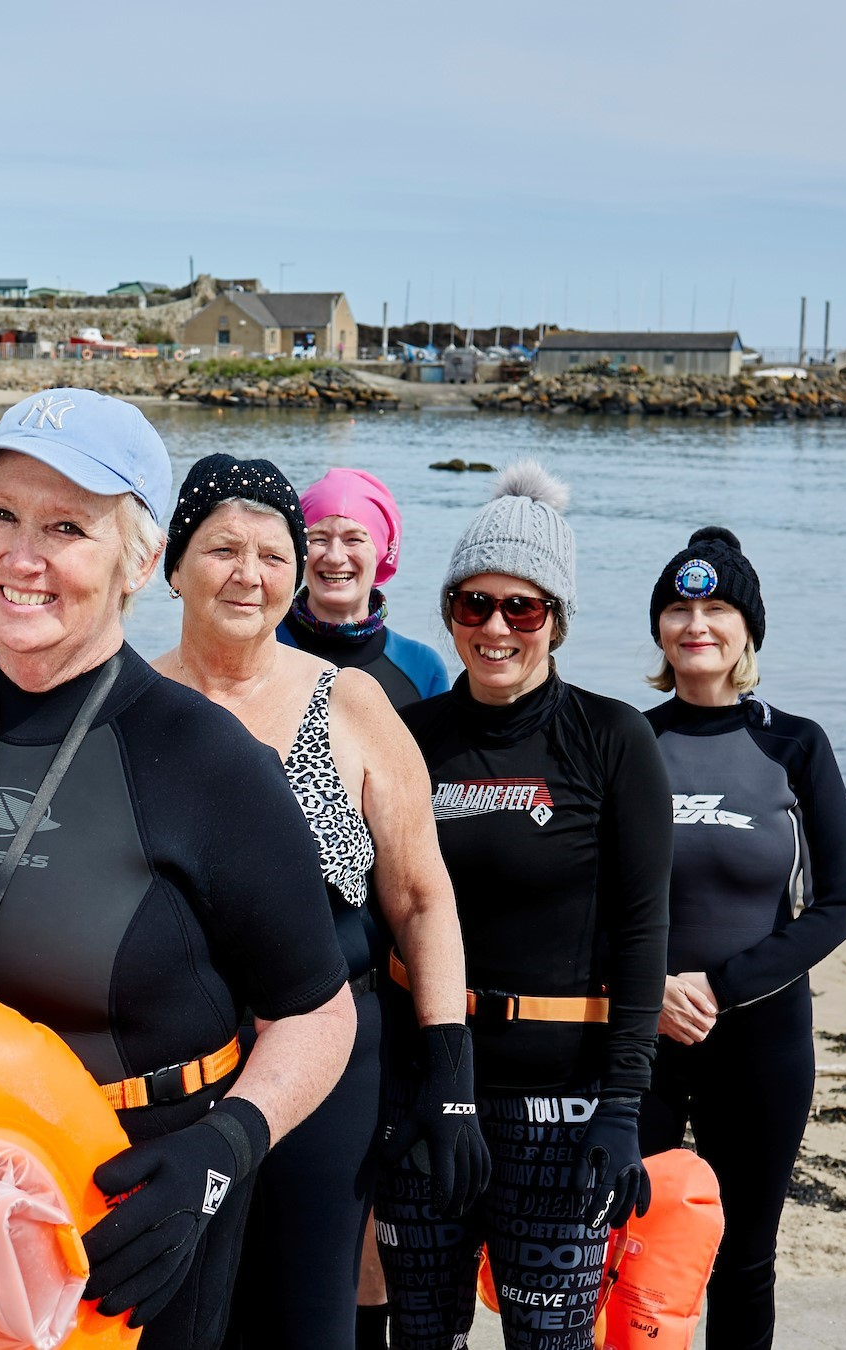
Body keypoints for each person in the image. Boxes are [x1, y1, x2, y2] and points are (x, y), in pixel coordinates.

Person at [0, 389, 357, 1350]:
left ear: (137, 562)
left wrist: (221, 1152)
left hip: (120, 1239)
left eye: (67, 527)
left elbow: (316, 1012)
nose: (21, 556)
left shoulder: (211, 764)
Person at [150, 454, 484, 1350]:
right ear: (171, 564)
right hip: (171, 1072)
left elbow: (421, 895)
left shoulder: (350, 702)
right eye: (222, 549)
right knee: (176, 1318)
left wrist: (451, 1073)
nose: (248, 575)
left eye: (271, 553)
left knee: (309, 1319)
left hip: (334, 1066)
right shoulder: (124, 704)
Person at [377, 461, 671, 1350]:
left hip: (564, 1103)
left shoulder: (614, 739)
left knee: (551, 1341)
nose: (495, 628)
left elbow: (644, 931)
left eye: (523, 607)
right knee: (424, 1335)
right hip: (427, 1087)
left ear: (559, 618)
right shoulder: (408, 738)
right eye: (473, 605)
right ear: (448, 613)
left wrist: (623, 1109)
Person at [640, 527, 846, 1350]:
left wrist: (720, 988)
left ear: (748, 629)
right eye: (679, 607)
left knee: (743, 1257)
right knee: (629, 1244)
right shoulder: (628, 739)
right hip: (642, 1031)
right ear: (659, 629)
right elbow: (593, 896)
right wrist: (656, 986)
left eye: (717, 606)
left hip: (759, 1037)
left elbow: (836, 905)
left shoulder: (793, 744)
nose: (697, 623)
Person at [278, 468, 448, 708]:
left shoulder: (422, 667)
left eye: (353, 539)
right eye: (319, 538)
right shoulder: (258, 648)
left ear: (382, 551)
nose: (335, 557)